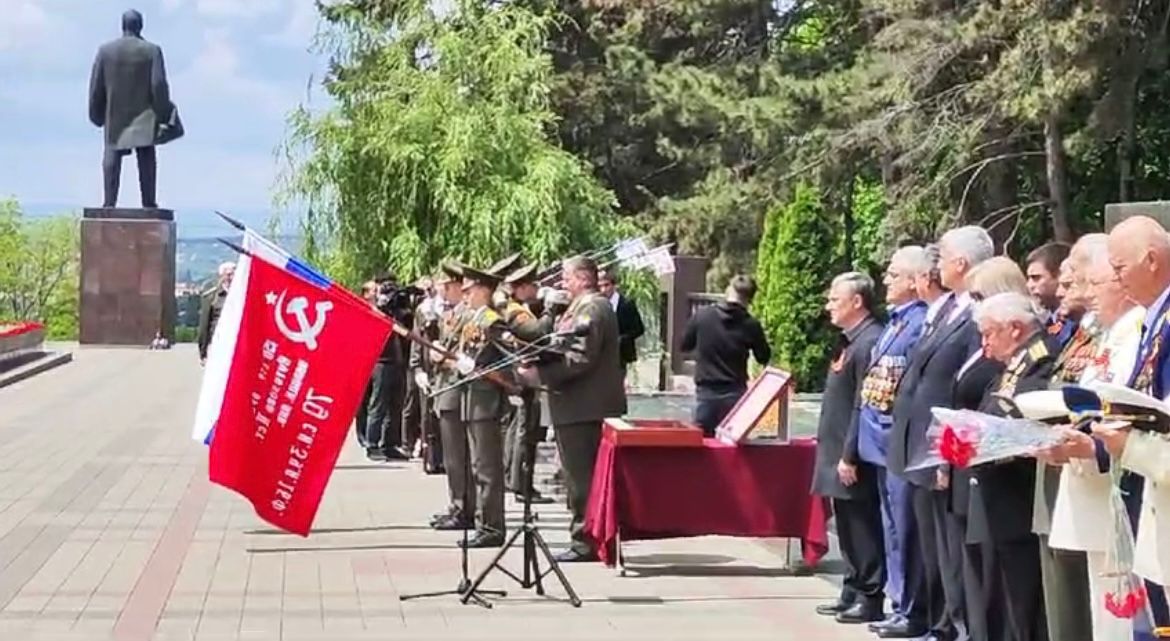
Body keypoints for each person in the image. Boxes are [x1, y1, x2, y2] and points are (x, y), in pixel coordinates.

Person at [889, 226, 994, 641]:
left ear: (962, 263)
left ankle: (956, 625)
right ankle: (941, 622)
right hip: (924, 446)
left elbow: (966, 388)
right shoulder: (947, 308)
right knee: (933, 549)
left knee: (952, 551)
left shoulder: (976, 313)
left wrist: (948, 453)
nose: (937, 264)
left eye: (943, 256)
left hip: (948, 449)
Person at [1042, 242, 1141, 641]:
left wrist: (1091, 447)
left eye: (1096, 282)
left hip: (1116, 488)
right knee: (1103, 613)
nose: (1088, 292)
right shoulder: (1107, 333)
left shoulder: (1136, 331)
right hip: (1090, 484)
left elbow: (1128, 410)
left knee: (1122, 613)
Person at [518, 255, 626, 562]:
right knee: (575, 477)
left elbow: (580, 357)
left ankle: (586, 541)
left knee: (582, 480)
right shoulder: (578, 307)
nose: (562, 283)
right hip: (573, 405)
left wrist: (539, 376)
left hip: (584, 407)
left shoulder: (593, 307)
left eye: (566, 276)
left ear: (582, 277)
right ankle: (584, 537)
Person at [965, 291, 1054, 641]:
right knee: (1010, 597)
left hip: (1020, 495)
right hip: (1002, 495)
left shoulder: (1039, 358)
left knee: (1026, 598)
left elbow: (1022, 413)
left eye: (989, 334)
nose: (985, 345)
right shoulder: (1015, 361)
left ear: (1014, 328)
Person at [953, 257, 1031, 641]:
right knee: (989, 584)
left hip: (1014, 489)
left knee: (1014, 598)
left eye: (978, 296)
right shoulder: (998, 346)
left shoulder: (1030, 354)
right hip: (986, 476)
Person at [851, 248, 928, 636]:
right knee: (891, 527)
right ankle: (899, 603)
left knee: (904, 528)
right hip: (878, 438)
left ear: (915, 280)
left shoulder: (917, 322)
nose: (886, 280)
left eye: (895, 275)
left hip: (895, 438)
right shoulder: (897, 322)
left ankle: (909, 606)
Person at [1032, 235, 1104, 641]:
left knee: (1084, 596)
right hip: (1062, 458)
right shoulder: (1080, 331)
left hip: (1090, 468)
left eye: (1072, 280)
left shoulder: (1111, 332)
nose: (1063, 289)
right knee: (1062, 589)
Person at [1103, 215, 1170, 636]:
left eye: (1119, 267)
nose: (1115, 279)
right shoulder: (1153, 318)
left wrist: (1129, 446)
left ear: (1151, 259)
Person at [812, 272, 886, 624]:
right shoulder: (850, 340)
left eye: (834, 300)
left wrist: (849, 454)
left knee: (863, 527)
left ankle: (870, 594)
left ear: (857, 302)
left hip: (851, 453)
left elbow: (863, 403)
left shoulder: (870, 340)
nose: (828, 306)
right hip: (836, 447)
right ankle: (851, 588)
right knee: (848, 527)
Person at [447, 265, 515, 549]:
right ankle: (481, 522)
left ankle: (492, 527)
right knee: (477, 467)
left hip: (486, 403)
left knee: (487, 469)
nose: (465, 295)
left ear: (484, 290)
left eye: (469, 290)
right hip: (470, 400)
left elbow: (510, 365)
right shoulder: (473, 319)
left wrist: (476, 368)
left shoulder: (491, 321)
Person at [680, 274, 771, 436]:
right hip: (735, 395)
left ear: (728, 290)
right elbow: (763, 356)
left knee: (702, 444)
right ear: (750, 299)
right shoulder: (751, 325)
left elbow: (684, 345)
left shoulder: (703, 316)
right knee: (735, 449)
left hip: (706, 393)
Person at [500, 263, 554, 504]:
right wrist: (551, 310)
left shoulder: (519, 308)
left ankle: (517, 480)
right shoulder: (516, 312)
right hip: (524, 377)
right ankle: (522, 484)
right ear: (521, 288)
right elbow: (538, 332)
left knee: (522, 429)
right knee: (525, 431)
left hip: (524, 375)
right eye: (533, 284)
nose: (536, 288)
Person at [428, 261, 473, 531]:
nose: (442, 290)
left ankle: (463, 508)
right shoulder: (451, 314)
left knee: (459, 457)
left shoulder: (467, 316)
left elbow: (464, 357)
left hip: (456, 392)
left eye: (446, 285)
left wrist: (442, 358)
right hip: (445, 391)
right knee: (453, 458)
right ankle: (457, 505)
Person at [362, 273, 409, 462]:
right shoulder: (370, 309)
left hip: (396, 360)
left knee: (395, 405)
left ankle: (390, 443)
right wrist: (381, 306)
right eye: (376, 290)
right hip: (381, 362)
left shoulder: (392, 308)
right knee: (378, 405)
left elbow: (404, 323)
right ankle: (372, 444)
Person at [599, 270, 645, 376]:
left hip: (620, 355)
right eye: (600, 286)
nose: (603, 290)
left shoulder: (626, 304)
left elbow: (639, 329)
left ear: (614, 286)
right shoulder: (598, 304)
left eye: (607, 285)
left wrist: (622, 339)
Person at [1025, 242, 1072, 341]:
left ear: (1060, 276)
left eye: (1036, 278)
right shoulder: (1049, 323)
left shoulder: (1078, 321)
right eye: (1029, 278)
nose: (1029, 285)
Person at [196, 262, 234, 366]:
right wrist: (203, 352)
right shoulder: (212, 296)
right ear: (221, 276)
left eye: (234, 274)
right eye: (229, 274)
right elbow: (204, 324)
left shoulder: (242, 294)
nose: (232, 277)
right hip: (218, 342)